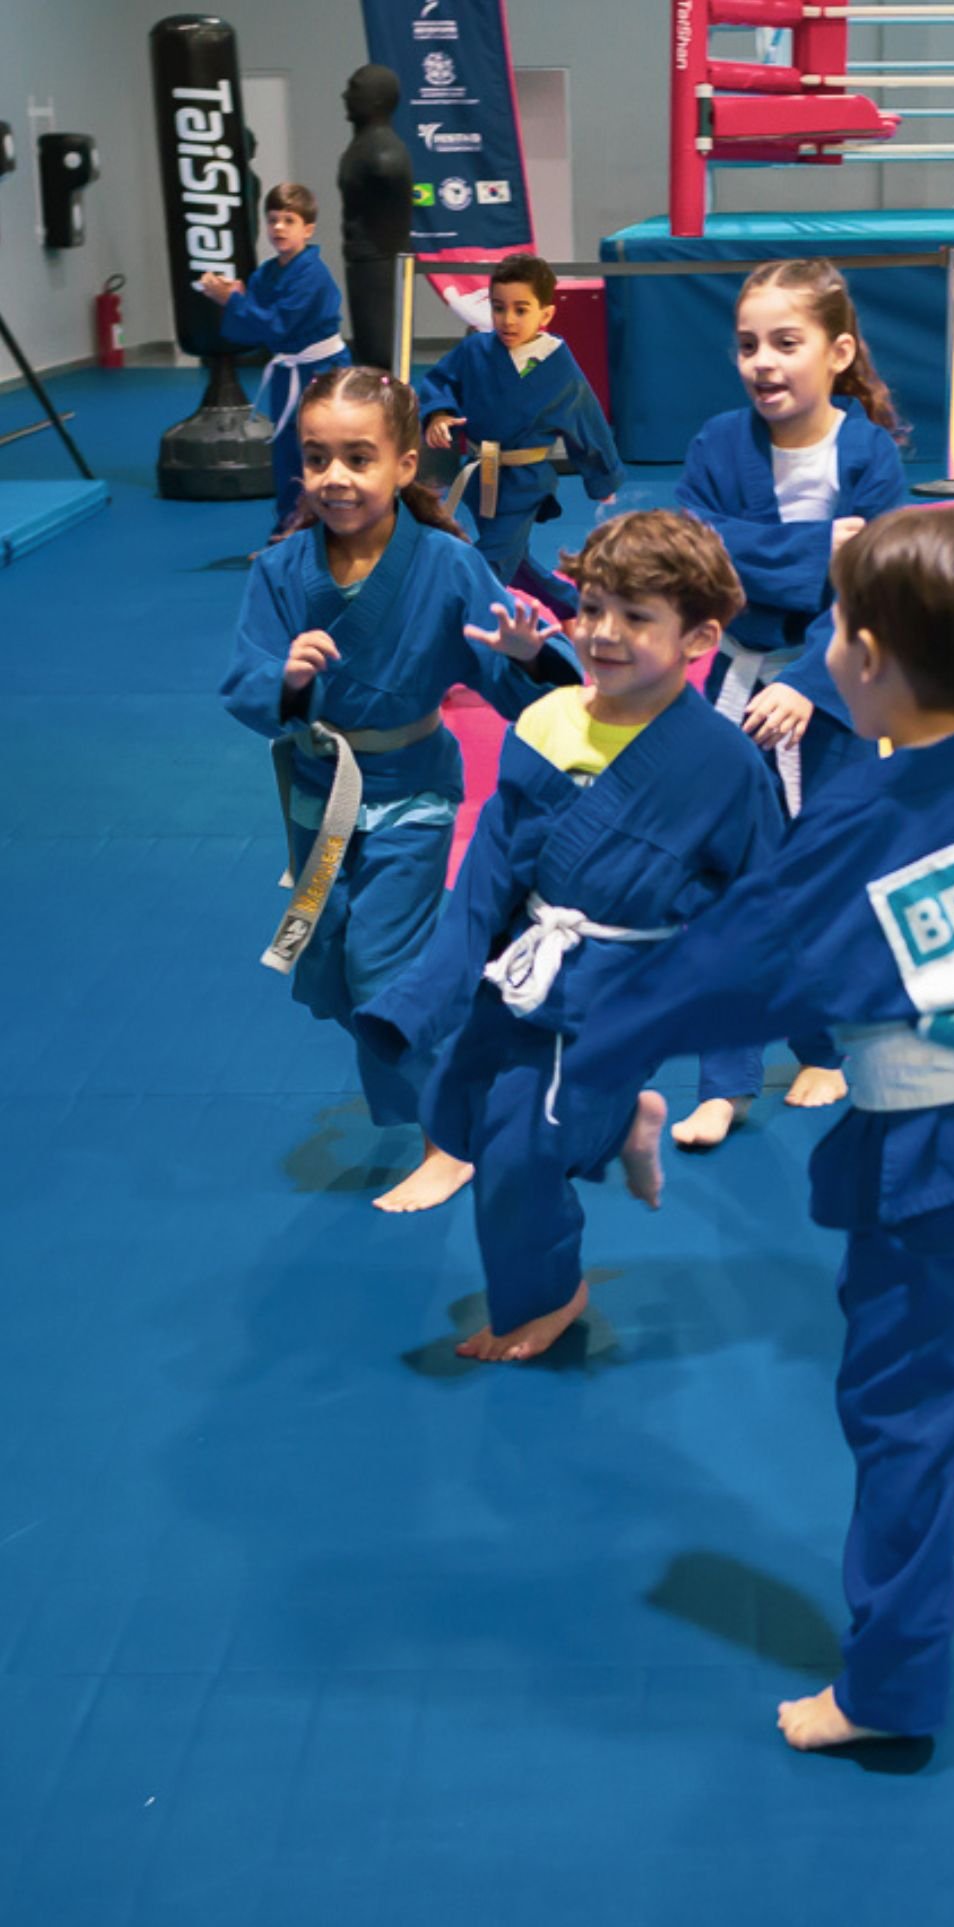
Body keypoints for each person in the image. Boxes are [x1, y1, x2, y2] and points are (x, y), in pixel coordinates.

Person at [562, 508, 954, 1750]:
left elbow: (737, 961)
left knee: (896, 1404)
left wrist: (594, 1052)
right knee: (953, 1336)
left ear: (862, 656)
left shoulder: (866, 819)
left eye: (832, 627)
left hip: (935, 1149)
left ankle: (887, 1689)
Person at [353, 510, 784, 1364]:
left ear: (699, 638)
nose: (602, 633)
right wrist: (425, 995)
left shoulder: (722, 762)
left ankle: (546, 1295)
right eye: (590, 608)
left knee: (516, 1152)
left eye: (635, 616)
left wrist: (732, 1052)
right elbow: (488, 874)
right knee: (463, 1108)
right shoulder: (547, 719)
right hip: (527, 965)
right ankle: (620, 1119)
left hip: (624, 991)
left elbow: (760, 901)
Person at [222, 367, 581, 1214]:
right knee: (332, 967)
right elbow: (242, 682)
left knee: (383, 964)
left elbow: (523, 686)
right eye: (317, 458)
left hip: (412, 793)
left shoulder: (449, 565)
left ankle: (448, 1140)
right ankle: (471, 1042)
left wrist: (531, 655)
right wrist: (287, 678)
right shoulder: (280, 571)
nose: (335, 478)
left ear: (404, 464)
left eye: (358, 458)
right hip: (318, 798)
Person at [674, 257, 907, 1147]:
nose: (762, 362)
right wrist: (817, 550)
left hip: (838, 692)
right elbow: (697, 557)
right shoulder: (715, 444)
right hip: (735, 685)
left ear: (837, 352)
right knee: (725, 879)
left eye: (785, 342)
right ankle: (724, 1081)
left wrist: (809, 683)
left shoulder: (869, 455)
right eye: (746, 345)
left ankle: (824, 1046)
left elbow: (871, 591)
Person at [418, 252, 623, 615]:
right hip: (479, 473)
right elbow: (441, 380)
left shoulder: (559, 367)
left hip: (524, 482)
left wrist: (602, 478)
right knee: (516, 560)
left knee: (493, 561)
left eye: (521, 309)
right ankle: (572, 607)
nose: (508, 320)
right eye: (499, 308)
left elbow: (586, 422)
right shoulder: (476, 349)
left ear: (545, 314)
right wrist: (439, 413)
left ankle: (457, 617)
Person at [200, 182, 350, 537]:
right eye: (272, 220)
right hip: (288, 370)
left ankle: (330, 530)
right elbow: (251, 330)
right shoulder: (266, 273)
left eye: (289, 220)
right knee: (287, 451)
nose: (279, 227)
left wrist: (233, 302)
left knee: (322, 447)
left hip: (322, 371)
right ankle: (289, 529)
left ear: (308, 229)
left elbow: (278, 324)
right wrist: (235, 296)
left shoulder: (313, 274)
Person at [337, 65, 412, 370]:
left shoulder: (383, 156)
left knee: (382, 351)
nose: (346, 96)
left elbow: (389, 179)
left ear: (378, 99)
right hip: (366, 261)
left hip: (380, 262)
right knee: (370, 352)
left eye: (354, 89)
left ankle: (388, 399)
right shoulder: (365, 146)